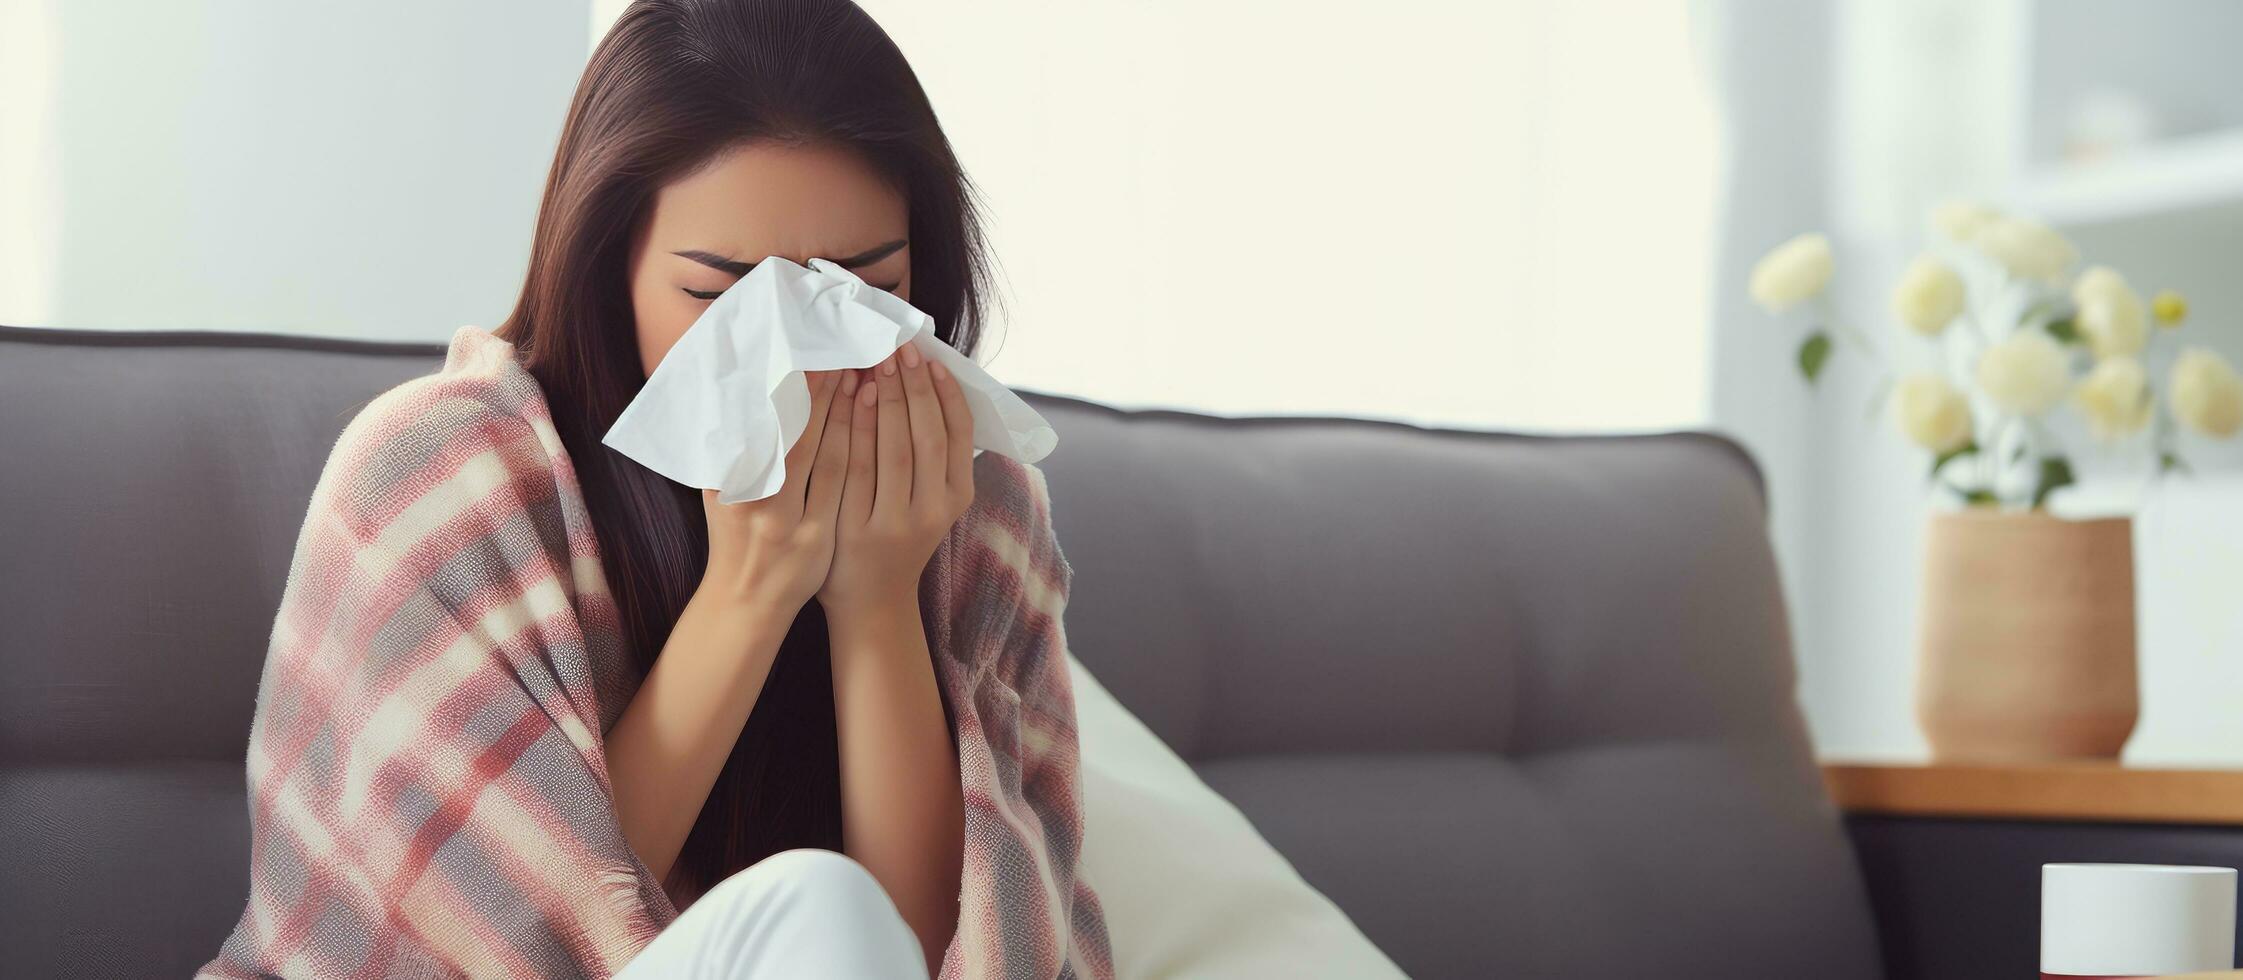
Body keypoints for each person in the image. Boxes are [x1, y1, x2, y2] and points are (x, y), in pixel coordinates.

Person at [197, 0, 1112, 976]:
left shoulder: (975, 511)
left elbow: (961, 956)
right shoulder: (432, 481)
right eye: (723, 298)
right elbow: (489, 942)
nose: (798, 348)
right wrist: (748, 594)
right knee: (819, 906)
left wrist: (880, 598)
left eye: (862, 288)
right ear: (609, 268)